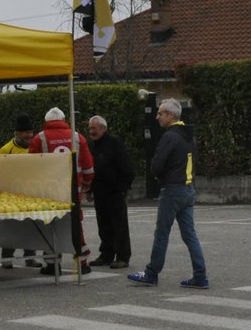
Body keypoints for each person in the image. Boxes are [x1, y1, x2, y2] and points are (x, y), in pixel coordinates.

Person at [129, 98, 209, 288]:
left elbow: (156, 164)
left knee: (162, 233)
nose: (157, 117)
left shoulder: (170, 136)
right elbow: (195, 161)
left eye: (161, 113)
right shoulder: (188, 135)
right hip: (188, 188)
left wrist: (159, 175)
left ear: (171, 116)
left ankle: (151, 273)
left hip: (172, 190)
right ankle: (200, 275)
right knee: (190, 234)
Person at [28, 107, 94, 276]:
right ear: (64, 119)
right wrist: (86, 184)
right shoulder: (77, 137)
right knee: (75, 225)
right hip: (73, 191)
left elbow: (31, 167)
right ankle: (82, 262)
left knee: (51, 224)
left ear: (46, 121)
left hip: (49, 190)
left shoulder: (39, 138)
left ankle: (52, 263)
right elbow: (88, 167)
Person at [86, 114, 135, 269]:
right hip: (100, 193)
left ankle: (123, 257)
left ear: (103, 128)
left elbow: (127, 167)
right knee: (104, 226)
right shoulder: (91, 145)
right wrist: (90, 189)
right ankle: (106, 255)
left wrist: (122, 188)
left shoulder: (114, 143)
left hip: (115, 192)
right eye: (90, 128)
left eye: (94, 128)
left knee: (119, 226)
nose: (91, 131)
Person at [0, 113, 37, 269]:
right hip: (11, 195)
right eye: (26, 132)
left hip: (30, 194)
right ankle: (7, 258)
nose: (29, 135)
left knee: (30, 227)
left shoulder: (34, 147)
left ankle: (30, 258)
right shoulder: (7, 149)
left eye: (31, 132)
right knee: (11, 228)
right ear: (17, 133)